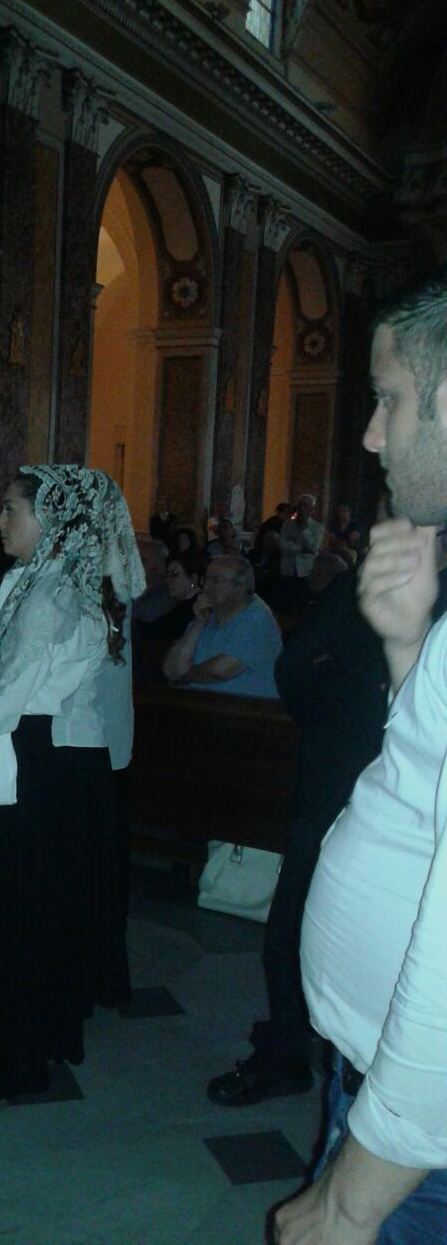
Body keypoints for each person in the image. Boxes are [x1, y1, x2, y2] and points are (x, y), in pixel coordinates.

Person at [274, 269, 447, 1243]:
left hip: (414, 1144)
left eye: (389, 399)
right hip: (392, 1110)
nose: (374, 435)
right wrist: (407, 644)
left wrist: (353, 1196)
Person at [0, 466, 145, 1101]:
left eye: (11, 510)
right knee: (17, 914)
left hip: (28, 763)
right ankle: (13, 1048)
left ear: (55, 521)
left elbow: (3, 698)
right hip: (29, 758)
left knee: (11, 917)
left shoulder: (52, 596)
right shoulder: (38, 580)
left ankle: (11, 1059)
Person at [207, 566, 389, 1110]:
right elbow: (296, 665)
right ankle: (291, 1053)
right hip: (346, 771)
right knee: (296, 921)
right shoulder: (364, 582)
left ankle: (368, 1068)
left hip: (394, 784)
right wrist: (340, 728)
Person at [163, 554, 281, 698]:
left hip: (247, 708)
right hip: (204, 705)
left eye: (216, 581)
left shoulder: (257, 617)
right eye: (205, 579)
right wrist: (198, 624)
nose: (206, 587)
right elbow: (170, 669)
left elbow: (222, 670)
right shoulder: (209, 615)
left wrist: (185, 677)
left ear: (239, 588)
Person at [277, 494, 324, 615]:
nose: (302, 508)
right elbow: (282, 545)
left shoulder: (317, 528)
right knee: (285, 605)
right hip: (288, 568)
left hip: (305, 570)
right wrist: (300, 548)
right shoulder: (288, 524)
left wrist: (304, 529)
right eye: (300, 504)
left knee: (302, 604)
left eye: (306, 505)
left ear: (312, 509)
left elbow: (313, 548)